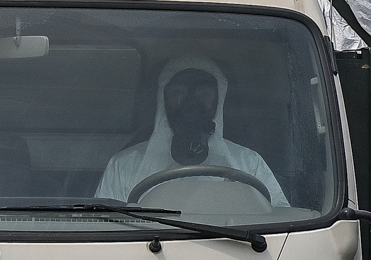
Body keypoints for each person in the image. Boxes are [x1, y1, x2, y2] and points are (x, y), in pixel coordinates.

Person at [94, 57, 288, 206]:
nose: (190, 104)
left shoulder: (248, 164)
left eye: (203, 93)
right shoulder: (124, 166)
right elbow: (106, 231)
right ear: (163, 99)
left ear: (218, 100)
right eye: (178, 92)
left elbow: (280, 220)